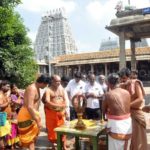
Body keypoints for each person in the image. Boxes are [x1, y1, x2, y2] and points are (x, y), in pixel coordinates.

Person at [17, 75, 49, 150]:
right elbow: (29, 106)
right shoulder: (32, 88)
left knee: (32, 139)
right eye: (46, 84)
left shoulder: (37, 87)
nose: (46, 86)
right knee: (26, 140)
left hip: (32, 115)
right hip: (26, 115)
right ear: (43, 83)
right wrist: (37, 120)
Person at [119, 68, 147, 150]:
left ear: (129, 77)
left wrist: (128, 105)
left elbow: (140, 99)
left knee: (138, 138)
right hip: (128, 114)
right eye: (121, 78)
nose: (122, 80)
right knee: (131, 138)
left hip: (136, 114)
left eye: (124, 78)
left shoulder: (135, 83)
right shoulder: (123, 85)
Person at [102, 73, 132, 150]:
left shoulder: (108, 95)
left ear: (108, 83)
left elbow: (103, 111)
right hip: (128, 124)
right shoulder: (127, 92)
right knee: (126, 147)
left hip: (116, 126)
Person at [43, 75, 67, 149]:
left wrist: (63, 107)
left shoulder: (61, 89)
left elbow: (65, 99)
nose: (59, 83)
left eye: (59, 81)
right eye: (57, 81)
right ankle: (53, 146)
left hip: (61, 113)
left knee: (63, 129)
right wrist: (57, 106)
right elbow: (47, 101)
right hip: (52, 113)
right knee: (52, 130)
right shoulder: (48, 90)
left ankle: (64, 146)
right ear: (52, 81)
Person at [0, 80, 11, 149]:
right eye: (7, 86)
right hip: (1, 118)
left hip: (5, 118)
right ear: (2, 86)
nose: (9, 88)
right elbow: (0, 106)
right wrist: (8, 102)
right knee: (1, 136)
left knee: (3, 136)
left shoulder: (4, 94)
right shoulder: (0, 95)